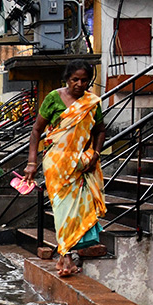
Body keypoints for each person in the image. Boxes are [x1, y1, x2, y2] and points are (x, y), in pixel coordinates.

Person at [22, 59, 107, 278]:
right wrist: (32, 163)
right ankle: (66, 256)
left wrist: (95, 155)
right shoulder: (53, 98)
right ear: (66, 80)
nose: (79, 84)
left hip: (82, 163)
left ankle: (65, 255)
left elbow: (100, 130)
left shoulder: (91, 102)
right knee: (62, 210)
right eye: (74, 79)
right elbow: (36, 130)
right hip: (57, 163)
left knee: (80, 209)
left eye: (84, 80)